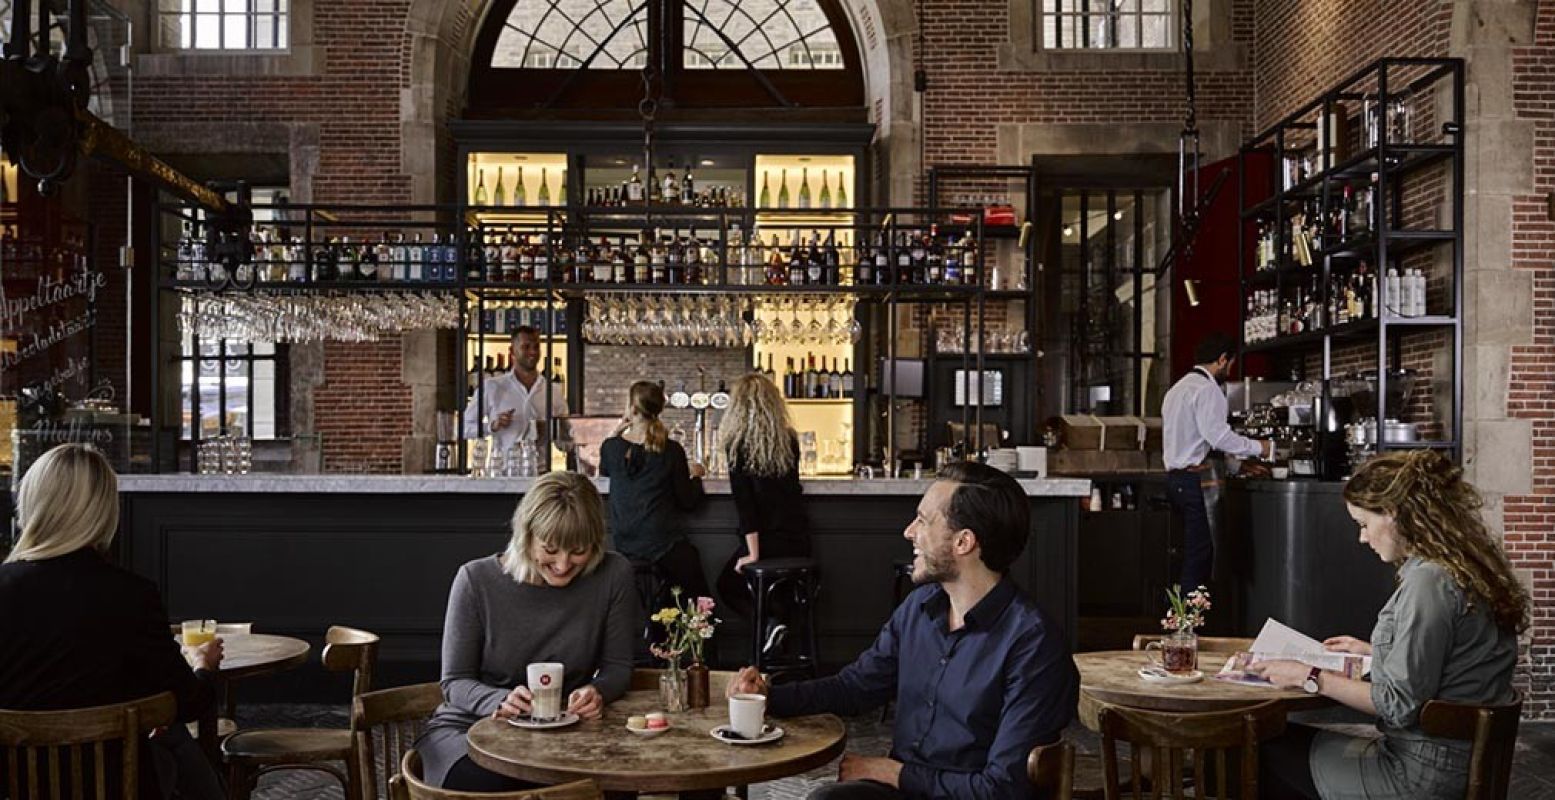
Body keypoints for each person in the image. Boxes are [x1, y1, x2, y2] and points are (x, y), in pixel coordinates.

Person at [726, 462, 1079, 800]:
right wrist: (769, 696)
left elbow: (1002, 789)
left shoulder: (1033, 645)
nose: (909, 531)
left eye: (923, 521)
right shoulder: (920, 608)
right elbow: (855, 688)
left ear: (963, 542)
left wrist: (893, 773)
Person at [1252, 449, 1530, 800]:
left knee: (1255, 750)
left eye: (1364, 525)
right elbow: (1452, 655)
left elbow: (1397, 705)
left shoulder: (1430, 581)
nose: (1362, 538)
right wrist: (1372, 652)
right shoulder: (1464, 567)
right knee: (1275, 741)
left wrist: (1309, 677)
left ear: (1394, 515)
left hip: (1422, 774)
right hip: (1457, 759)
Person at [0, 444, 225, 800]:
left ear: (30, 504)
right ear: (104, 510)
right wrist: (202, 666)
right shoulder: (133, 596)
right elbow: (188, 704)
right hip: (117, 786)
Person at [416, 471, 638, 790]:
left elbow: (617, 668)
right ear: (526, 536)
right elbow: (455, 682)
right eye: (550, 549)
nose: (563, 565)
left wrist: (598, 691)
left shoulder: (614, 575)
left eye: (578, 551)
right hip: (470, 728)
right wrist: (500, 700)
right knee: (499, 781)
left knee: (615, 782)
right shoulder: (475, 581)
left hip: (564, 731)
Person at [1160, 331, 1274, 590]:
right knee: (1200, 558)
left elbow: (1194, 442)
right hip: (1195, 484)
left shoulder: (1178, 389)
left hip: (1176, 480)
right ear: (1222, 359)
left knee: (1186, 555)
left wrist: (1238, 465)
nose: (1229, 369)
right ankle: (1186, 625)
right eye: (1230, 364)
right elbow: (1218, 436)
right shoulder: (1207, 389)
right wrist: (1261, 448)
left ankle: (1179, 619)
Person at [714, 372, 810, 650]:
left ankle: (770, 623)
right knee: (779, 589)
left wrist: (752, 554)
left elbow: (747, 507)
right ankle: (777, 624)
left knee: (726, 585)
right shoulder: (788, 440)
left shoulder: (737, 446)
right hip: (798, 540)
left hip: (765, 542)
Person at [600, 380, 711, 605]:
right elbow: (687, 501)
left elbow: (604, 471)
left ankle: (656, 628)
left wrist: (617, 431)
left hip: (625, 545)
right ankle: (693, 636)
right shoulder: (671, 450)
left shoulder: (610, 448)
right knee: (696, 589)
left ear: (632, 409)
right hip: (662, 545)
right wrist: (697, 476)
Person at [463, 325, 570, 456]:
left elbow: (566, 443)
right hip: (502, 471)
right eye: (526, 347)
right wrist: (492, 427)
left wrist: (554, 432)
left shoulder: (552, 391)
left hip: (541, 473)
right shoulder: (492, 387)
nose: (532, 352)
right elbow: (464, 428)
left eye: (536, 347)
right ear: (512, 351)